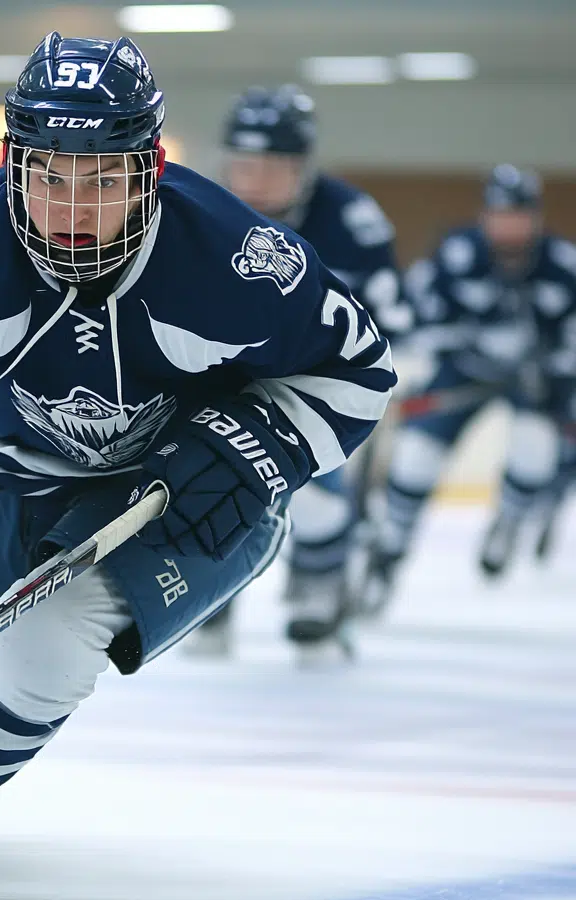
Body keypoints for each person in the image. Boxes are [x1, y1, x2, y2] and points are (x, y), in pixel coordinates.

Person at [0, 33, 395, 890]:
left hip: (180, 496)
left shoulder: (240, 262)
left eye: (104, 179)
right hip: (12, 474)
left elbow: (358, 370)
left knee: (43, 647)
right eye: (49, 175)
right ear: (11, 162)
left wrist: (253, 446)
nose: (73, 208)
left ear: (151, 168)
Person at [186, 85, 411, 658]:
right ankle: (209, 599)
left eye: (271, 165)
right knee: (200, 483)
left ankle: (320, 585)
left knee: (316, 490)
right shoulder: (194, 208)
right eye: (242, 163)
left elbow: (386, 314)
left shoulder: (351, 220)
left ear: (303, 169)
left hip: (314, 381)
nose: (253, 179)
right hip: (208, 372)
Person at [363, 164, 576, 608]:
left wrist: (553, 365)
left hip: (533, 383)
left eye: (519, 214)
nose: (509, 224)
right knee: (415, 459)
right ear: (485, 215)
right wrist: (463, 341)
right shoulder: (455, 254)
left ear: (535, 217)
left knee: (536, 450)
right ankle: (388, 557)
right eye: (500, 214)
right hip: (463, 374)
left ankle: (509, 522)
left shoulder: (562, 266)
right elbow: (415, 318)